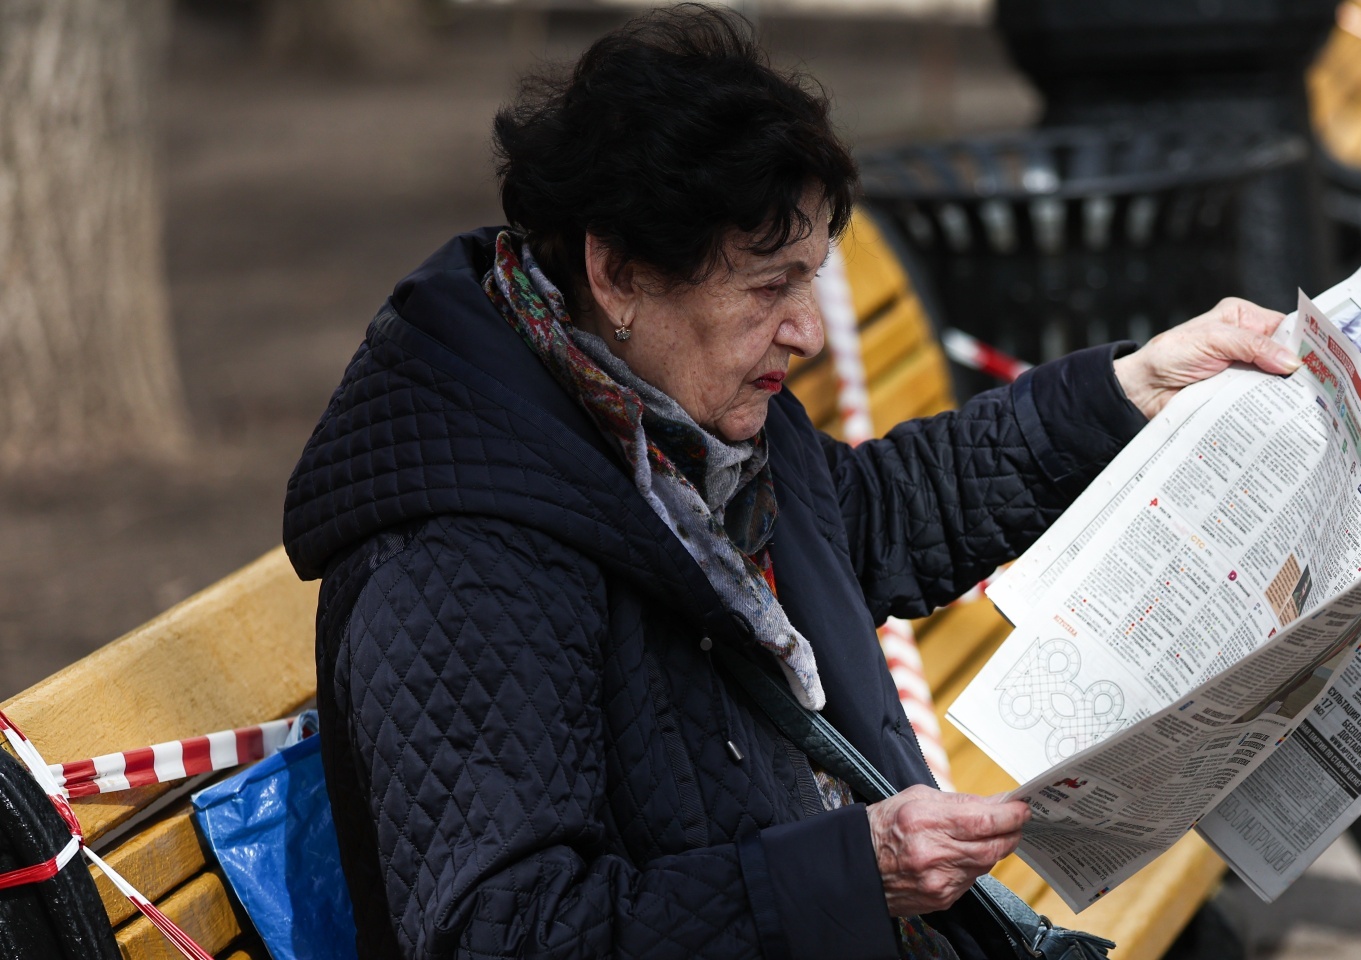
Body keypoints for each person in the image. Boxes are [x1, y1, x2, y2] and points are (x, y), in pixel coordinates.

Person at [281, 7, 1297, 958]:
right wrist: (847, 873)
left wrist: (1130, 391)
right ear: (618, 273)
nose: (807, 333)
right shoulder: (465, 555)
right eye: (770, 287)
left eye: (812, 278)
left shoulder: (673, 426)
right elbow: (497, 933)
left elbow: (871, 516)